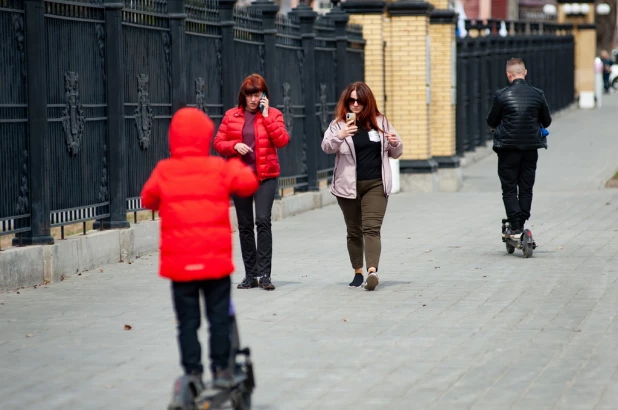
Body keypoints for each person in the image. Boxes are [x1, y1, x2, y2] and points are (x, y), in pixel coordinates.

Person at [141, 108, 259, 388]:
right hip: (214, 265)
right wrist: (235, 164)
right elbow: (248, 183)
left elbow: (147, 199)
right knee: (218, 317)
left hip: (179, 267)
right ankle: (220, 370)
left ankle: (192, 372)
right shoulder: (219, 168)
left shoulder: (164, 170)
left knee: (187, 322)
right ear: (205, 136)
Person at [321, 82, 403, 291]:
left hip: (376, 183)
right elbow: (326, 147)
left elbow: (396, 151)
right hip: (347, 186)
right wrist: (340, 136)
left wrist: (394, 142)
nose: (355, 104)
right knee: (354, 230)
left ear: (368, 101)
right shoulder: (338, 124)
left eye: (360, 100)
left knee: (372, 229)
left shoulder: (381, 121)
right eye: (351, 100)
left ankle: (372, 272)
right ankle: (358, 271)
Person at [214, 74, 290, 291]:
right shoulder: (232, 115)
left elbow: (282, 140)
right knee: (245, 226)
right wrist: (233, 146)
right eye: (250, 95)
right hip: (239, 176)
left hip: (265, 176)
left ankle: (265, 274)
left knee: (263, 221)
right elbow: (218, 142)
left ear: (264, 95)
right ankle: (250, 275)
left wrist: (266, 116)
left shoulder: (274, 114)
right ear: (243, 96)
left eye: (257, 95)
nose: (253, 100)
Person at [486, 58, 552, 239]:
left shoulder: (501, 95)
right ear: (525, 72)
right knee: (526, 187)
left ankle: (514, 225)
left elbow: (491, 120)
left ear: (508, 75)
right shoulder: (537, 94)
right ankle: (521, 222)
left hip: (507, 149)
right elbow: (547, 121)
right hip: (531, 148)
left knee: (508, 188)